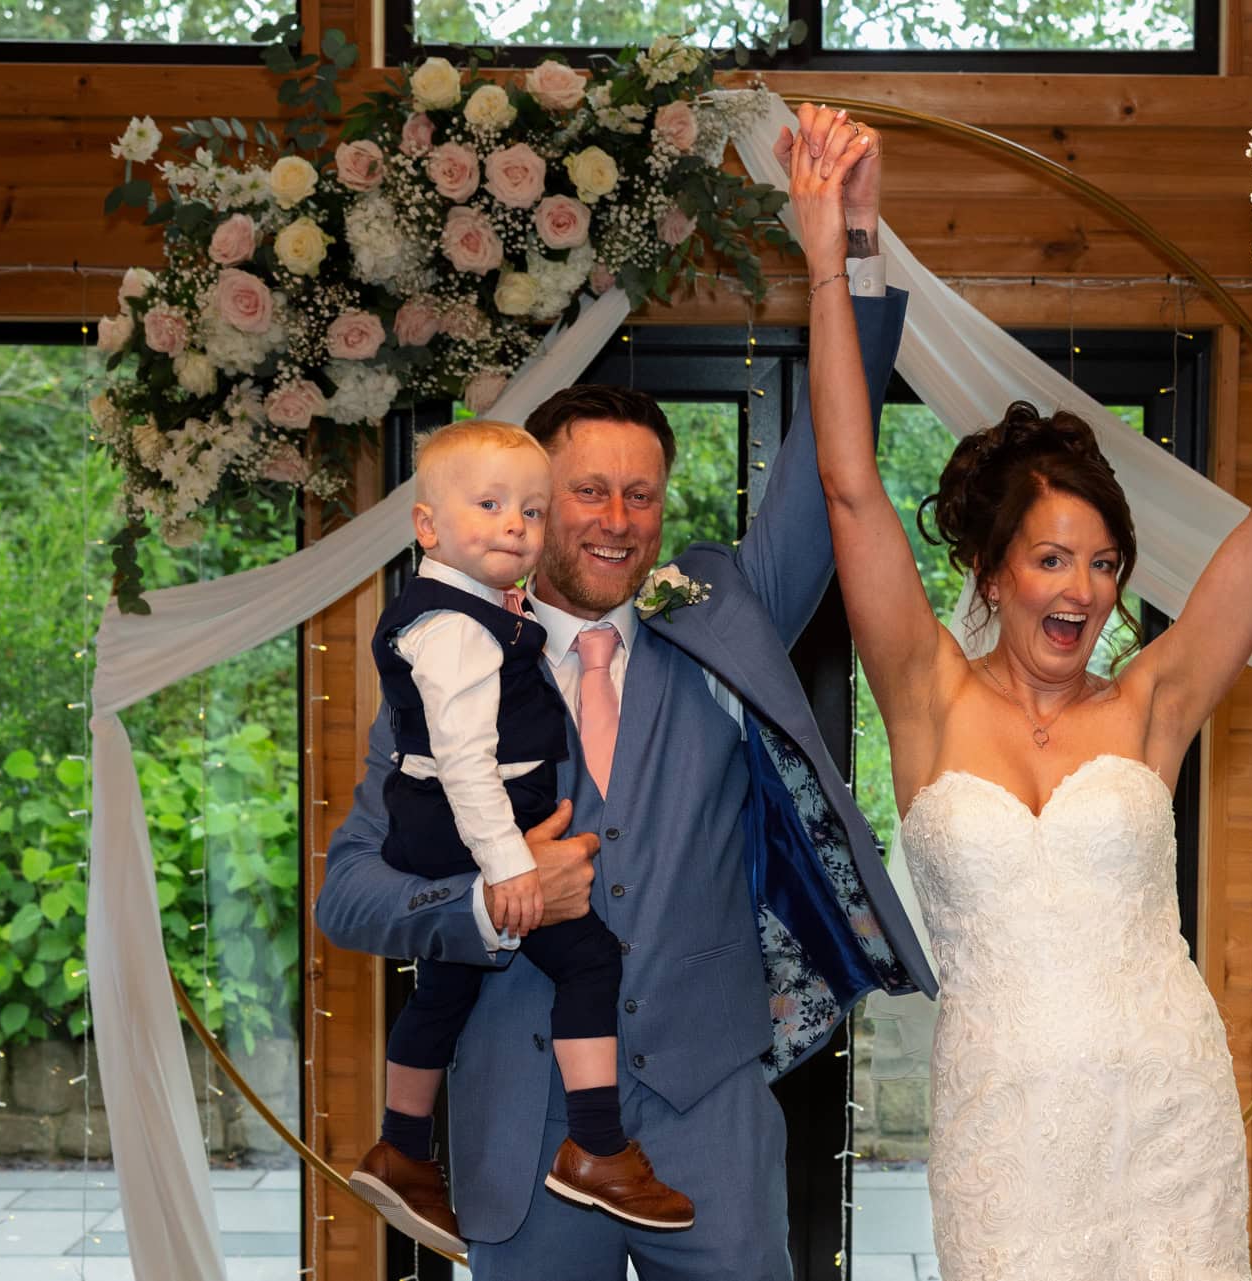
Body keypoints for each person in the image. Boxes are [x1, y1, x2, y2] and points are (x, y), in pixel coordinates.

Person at [315, 106, 936, 1281]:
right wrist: (491, 903)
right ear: (532, 510)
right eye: (586, 493)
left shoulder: (721, 611)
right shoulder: (446, 663)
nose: (616, 520)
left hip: (709, 1117)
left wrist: (849, 251)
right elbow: (349, 896)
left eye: (639, 496)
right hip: (523, 1122)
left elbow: (829, 471)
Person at [787, 102, 1252, 1280]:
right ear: (996, 571)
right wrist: (835, 257)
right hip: (1005, 1137)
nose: (1083, 589)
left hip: (1167, 1119)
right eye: (1053, 559)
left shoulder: (1149, 707)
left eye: (1106, 563)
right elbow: (850, 486)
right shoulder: (927, 696)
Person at [347, 420, 692, 1253]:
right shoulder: (459, 629)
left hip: (701, 1099)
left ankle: (402, 1146)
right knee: (587, 957)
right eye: (494, 505)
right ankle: (596, 1145)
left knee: (442, 990)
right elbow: (464, 762)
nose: (515, 526)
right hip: (472, 840)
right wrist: (507, 875)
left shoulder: (474, 612)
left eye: (528, 511)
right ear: (429, 526)